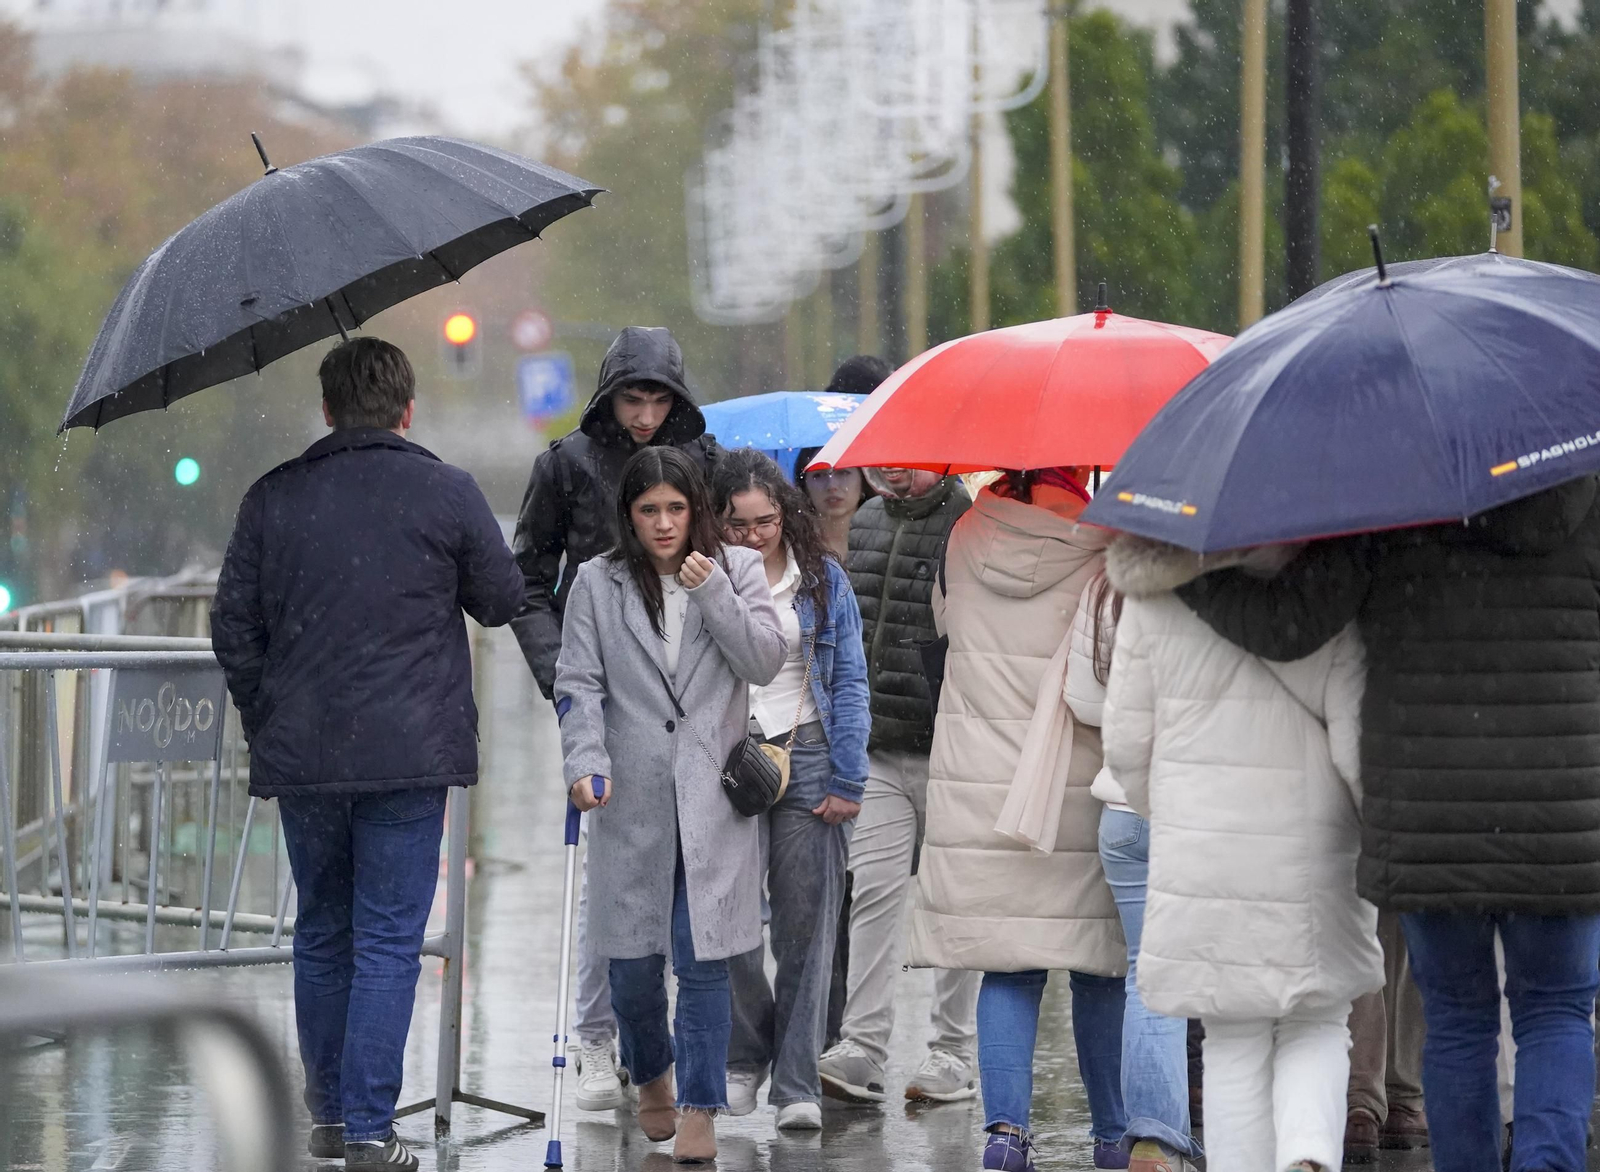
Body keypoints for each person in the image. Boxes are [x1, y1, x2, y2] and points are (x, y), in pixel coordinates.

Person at [1176, 476, 1600, 1172]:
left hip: (1430, 807)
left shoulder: (1395, 495)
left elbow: (1293, 623)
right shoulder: (1584, 491)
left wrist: (1186, 576)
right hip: (1564, 807)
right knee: (1556, 1012)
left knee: (1457, 1019)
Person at [211, 337, 523, 1172]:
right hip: (410, 756)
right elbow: (501, 599)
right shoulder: (448, 492)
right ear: (407, 410)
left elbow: (232, 625)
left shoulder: (273, 498)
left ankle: (329, 1115)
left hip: (307, 756)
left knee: (322, 930)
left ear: (327, 409)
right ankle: (369, 1130)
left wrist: (268, 711)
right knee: (388, 940)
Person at [1102, 536, 1384, 1172]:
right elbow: (1357, 745)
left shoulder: (1153, 596)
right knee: (1318, 1017)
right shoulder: (1331, 588)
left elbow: (1125, 745)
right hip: (1317, 848)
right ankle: (1308, 1153)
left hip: (1202, 844)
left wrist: (1172, 812)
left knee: (1230, 1035)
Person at [511, 325, 722, 1112]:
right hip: (597, 684)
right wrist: (562, 675)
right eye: (632, 398)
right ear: (610, 395)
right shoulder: (566, 465)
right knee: (610, 869)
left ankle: (650, 1042)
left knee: (683, 867)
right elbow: (526, 578)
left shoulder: (703, 462)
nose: (645, 415)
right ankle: (597, 1035)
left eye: (659, 400)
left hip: (682, 687)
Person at [554, 446, 786, 1164]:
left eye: (676, 509)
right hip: (631, 801)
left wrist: (713, 589)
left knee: (702, 955)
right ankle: (652, 1070)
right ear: (628, 515)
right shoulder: (597, 582)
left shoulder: (737, 569)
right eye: (649, 509)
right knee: (629, 966)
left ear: (697, 511)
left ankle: (700, 1103)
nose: (663, 524)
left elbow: (764, 659)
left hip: (714, 800)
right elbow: (579, 683)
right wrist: (585, 761)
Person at [906, 467, 1133, 1172]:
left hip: (980, 785)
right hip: (1075, 780)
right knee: (1100, 967)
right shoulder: (1103, 544)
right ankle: (1112, 1137)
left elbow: (944, 628)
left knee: (1009, 965)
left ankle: (1006, 1137)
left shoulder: (962, 536)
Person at [711, 449, 870, 1130]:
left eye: (766, 521)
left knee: (808, 926)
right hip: (730, 758)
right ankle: (747, 1052)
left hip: (808, 750)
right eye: (738, 524)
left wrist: (848, 775)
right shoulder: (706, 579)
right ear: (717, 523)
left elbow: (851, 679)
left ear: (785, 514)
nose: (754, 536)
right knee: (728, 921)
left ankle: (797, 1081)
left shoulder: (822, 580)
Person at [818, 465, 979, 1104]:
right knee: (874, 895)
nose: (894, 466)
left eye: (912, 456)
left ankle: (953, 1051)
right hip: (879, 747)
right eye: (888, 455)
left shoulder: (970, 522)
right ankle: (862, 1045)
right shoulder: (865, 521)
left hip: (952, 748)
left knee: (952, 901)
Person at [1067, 571, 1204, 1172]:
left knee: (1148, 980)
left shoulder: (1109, 586)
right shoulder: (1227, 580)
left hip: (1124, 809)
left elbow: (1082, 699)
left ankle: (1152, 1140)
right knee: (1229, 987)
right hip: (1200, 809)